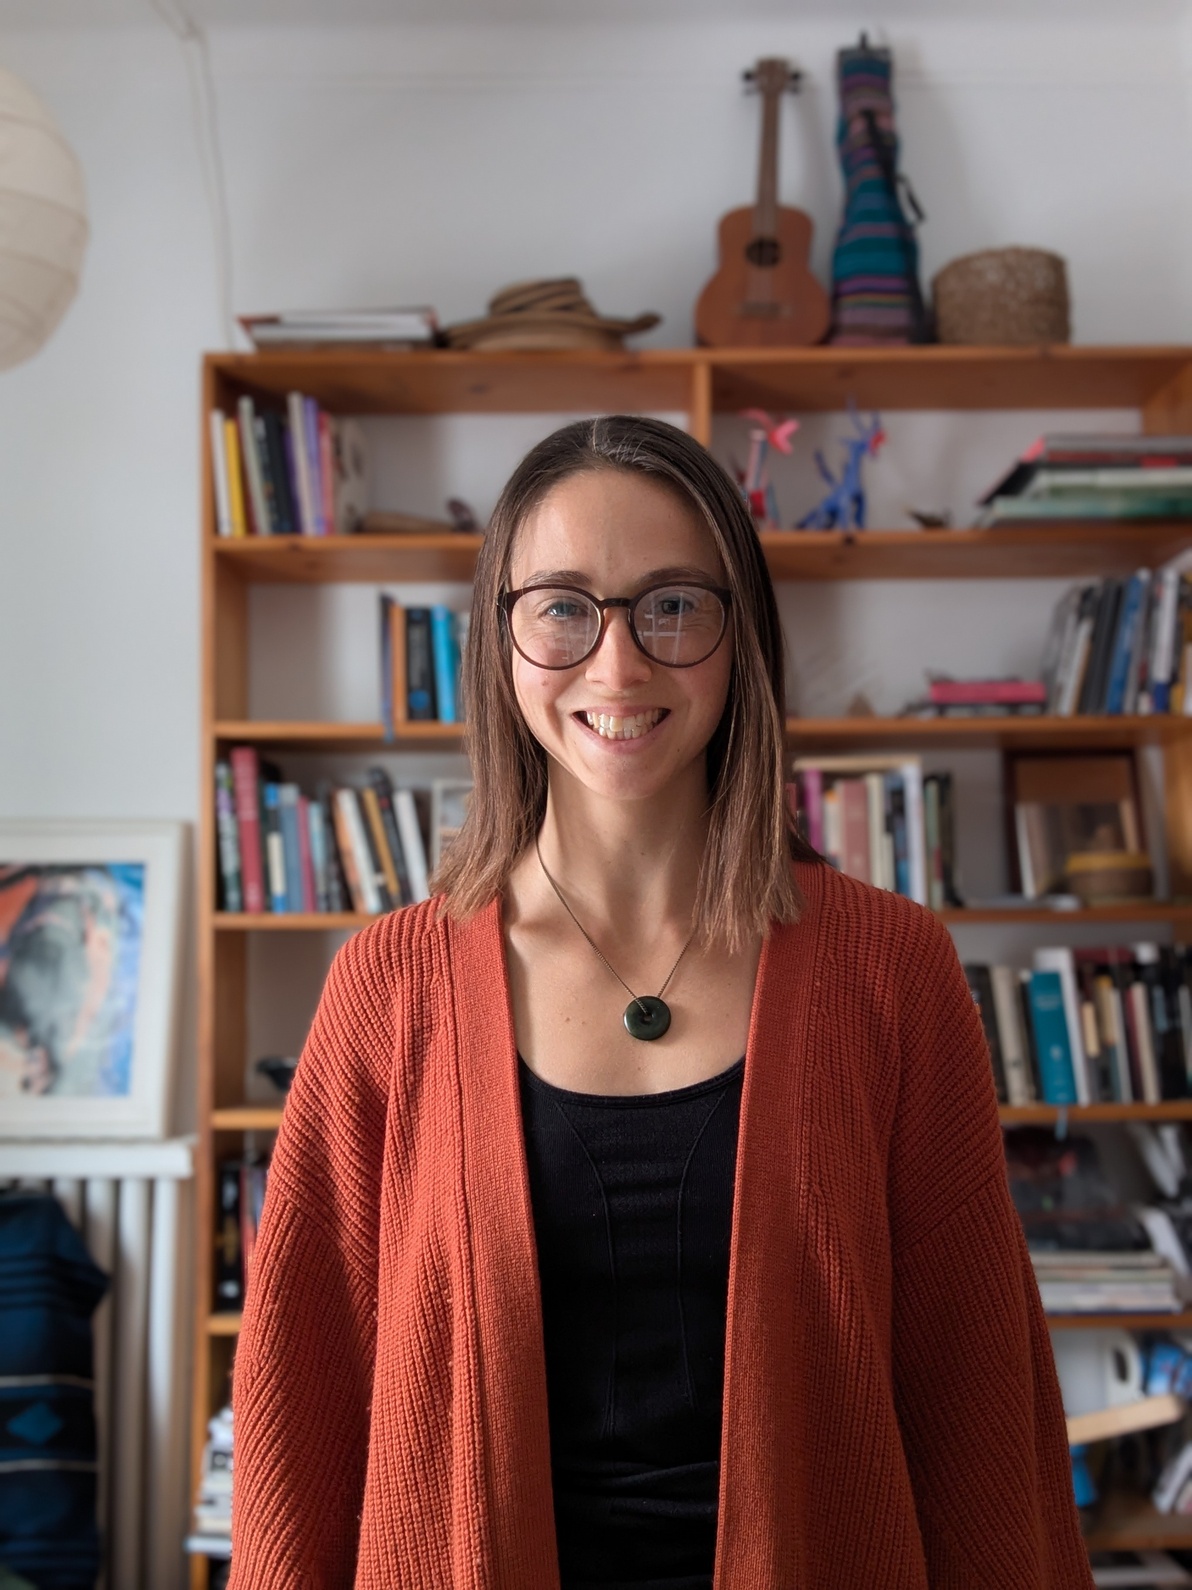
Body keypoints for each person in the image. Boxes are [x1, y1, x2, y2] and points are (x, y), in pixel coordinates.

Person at [228, 416, 1094, 1589]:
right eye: (562, 608)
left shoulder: (893, 971)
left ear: (742, 638)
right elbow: (300, 1399)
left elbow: (978, 1397)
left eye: (673, 605)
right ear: (498, 637)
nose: (618, 666)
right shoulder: (389, 988)